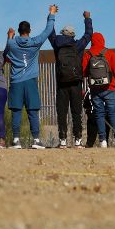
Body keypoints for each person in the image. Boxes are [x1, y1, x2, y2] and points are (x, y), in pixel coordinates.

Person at [5, 5, 57, 149]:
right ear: (29, 31)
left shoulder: (12, 43)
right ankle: (36, 140)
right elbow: (48, 30)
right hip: (30, 82)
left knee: (16, 111)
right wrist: (51, 14)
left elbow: (7, 50)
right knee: (32, 110)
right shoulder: (35, 42)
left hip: (16, 82)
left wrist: (9, 36)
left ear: (19, 31)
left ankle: (16, 140)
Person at [48, 11, 93, 148]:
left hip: (62, 83)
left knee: (62, 112)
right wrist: (87, 18)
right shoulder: (77, 45)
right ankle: (78, 140)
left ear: (63, 33)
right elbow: (88, 34)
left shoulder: (57, 43)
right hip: (76, 82)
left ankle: (62, 140)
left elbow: (50, 32)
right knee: (76, 112)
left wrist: (51, 15)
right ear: (72, 35)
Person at [81, 31, 115, 147]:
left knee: (99, 114)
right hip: (109, 87)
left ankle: (102, 141)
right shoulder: (109, 53)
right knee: (112, 114)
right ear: (103, 40)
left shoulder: (88, 54)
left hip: (95, 89)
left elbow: (84, 72)